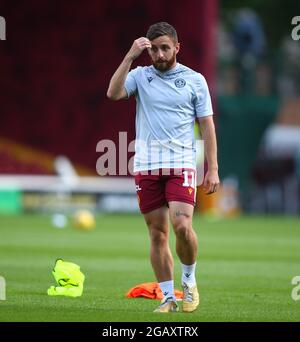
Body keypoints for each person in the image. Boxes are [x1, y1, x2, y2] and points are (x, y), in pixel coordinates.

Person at [107, 22, 219, 313]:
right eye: (154, 49)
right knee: (157, 234)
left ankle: (189, 281)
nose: (158, 54)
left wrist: (213, 168)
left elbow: (207, 125)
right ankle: (168, 298)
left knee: (182, 226)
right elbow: (113, 93)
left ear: (177, 48)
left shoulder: (195, 80)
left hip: (181, 163)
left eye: (164, 48)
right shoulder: (140, 76)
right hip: (147, 166)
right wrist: (130, 56)